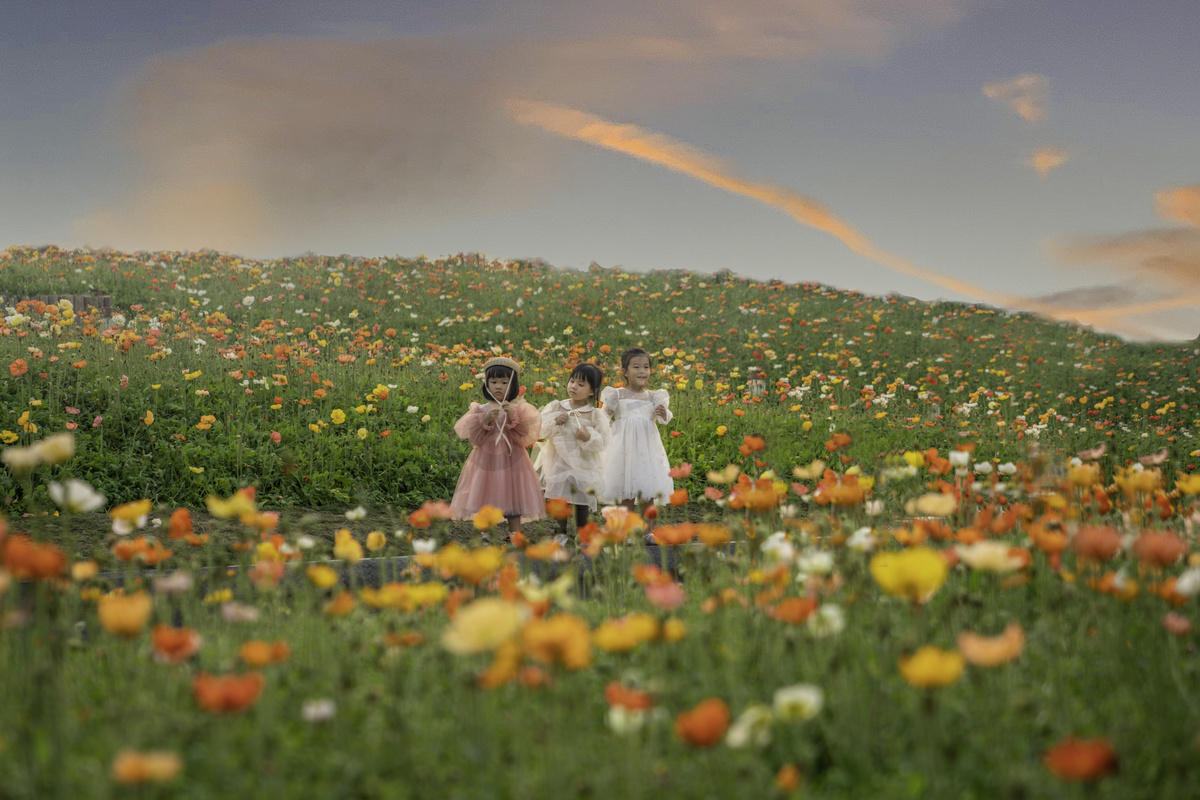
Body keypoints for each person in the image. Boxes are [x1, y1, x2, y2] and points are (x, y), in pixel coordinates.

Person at [449, 356, 544, 540]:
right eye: (493, 382)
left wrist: (512, 417)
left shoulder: (517, 408)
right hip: (486, 460)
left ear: (512, 384)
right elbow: (475, 439)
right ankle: (486, 533)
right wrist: (485, 421)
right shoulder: (481, 409)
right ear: (486, 384)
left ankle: (514, 533)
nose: (498, 386)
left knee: (514, 494)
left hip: (513, 460)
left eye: (503, 382)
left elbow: (524, 436)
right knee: (486, 493)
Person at [534, 362, 611, 544]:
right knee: (560, 497)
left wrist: (587, 437)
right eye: (572, 381)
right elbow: (539, 430)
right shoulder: (556, 407)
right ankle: (559, 532)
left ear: (592, 391)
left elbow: (604, 441)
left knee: (581, 498)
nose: (574, 386)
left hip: (584, 462)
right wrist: (555, 421)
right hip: (558, 460)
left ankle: (583, 532)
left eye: (581, 384)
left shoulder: (594, 414)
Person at [600, 347, 673, 526]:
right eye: (636, 367)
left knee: (648, 492)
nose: (642, 371)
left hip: (647, 450)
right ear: (625, 371)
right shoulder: (617, 395)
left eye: (646, 367)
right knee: (627, 492)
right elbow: (603, 417)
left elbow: (665, 419)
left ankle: (649, 530)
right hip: (623, 449)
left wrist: (663, 413)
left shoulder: (654, 397)